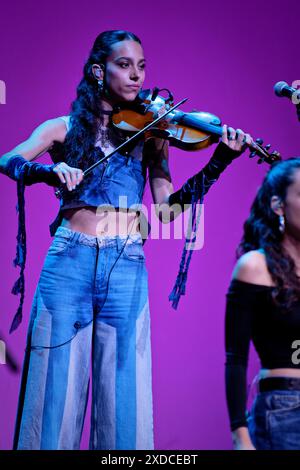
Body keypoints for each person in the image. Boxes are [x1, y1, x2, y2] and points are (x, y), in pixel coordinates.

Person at [0, 29, 251, 450]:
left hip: (126, 266)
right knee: (51, 399)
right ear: (99, 71)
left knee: (125, 404)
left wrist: (219, 160)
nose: (136, 76)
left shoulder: (153, 135)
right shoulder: (62, 128)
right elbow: (9, 158)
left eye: (142, 66)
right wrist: (48, 172)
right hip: (69, 262)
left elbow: (168, 209)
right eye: (124, 65)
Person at [225, 158, 300, 450]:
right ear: (278, 206)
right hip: (284, 409)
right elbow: (236, 358)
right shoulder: (255, 266)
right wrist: (240, 436)